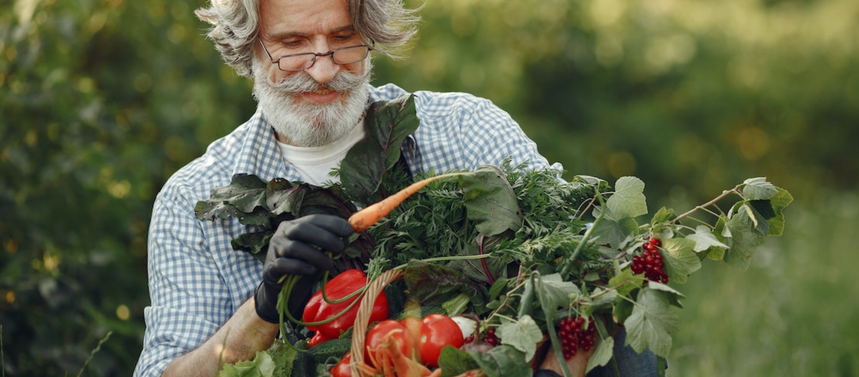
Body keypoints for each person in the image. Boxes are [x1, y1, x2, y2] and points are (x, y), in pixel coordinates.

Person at [133, 0, 659, 376]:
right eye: (291, 45)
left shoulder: (464, 130)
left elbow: (587, 259)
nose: (322, 70)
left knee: (627, 311)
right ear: (248, 50)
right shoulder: (195, 200)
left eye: (343, 40)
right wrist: (264, 307)